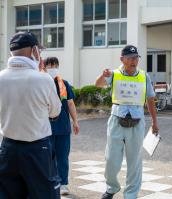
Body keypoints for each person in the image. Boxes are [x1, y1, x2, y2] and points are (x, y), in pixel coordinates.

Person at [0, 32, 62, 198]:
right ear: (35, 50)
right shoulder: (43, 79)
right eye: (39, 51)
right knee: (44, 194)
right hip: (37, 148)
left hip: (8, 147)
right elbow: (55, 111)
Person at [95, 45, 159, 199]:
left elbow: (150, 99)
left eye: (136, 57)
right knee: (111, 158)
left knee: (135, 161)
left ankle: (131, 194)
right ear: (122, 59)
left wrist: (155, 122)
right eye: (130, 58)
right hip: (117, 119)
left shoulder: (144, 76)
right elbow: (98, 84)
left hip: (137, 121)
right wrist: (103, 75)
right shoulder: (114, 74)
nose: (133, 61)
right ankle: (112, 187)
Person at [44, 57, 80, 195]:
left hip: (63, 127)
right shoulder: (41, 83)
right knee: (46, 157)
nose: (52, 67)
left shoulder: (64, 84)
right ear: (45, 67)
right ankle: (48, 183)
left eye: (55, 65)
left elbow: (70, 103)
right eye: (50, 65)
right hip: (45, 127)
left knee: (62, 157)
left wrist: (75, 121)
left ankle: (63, 183)